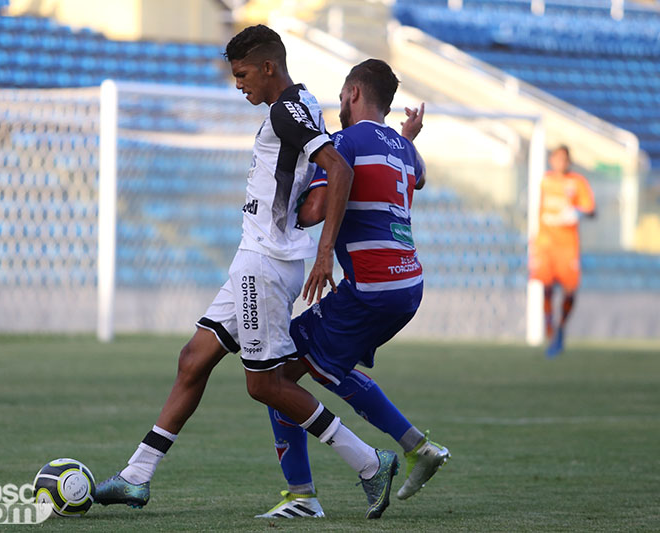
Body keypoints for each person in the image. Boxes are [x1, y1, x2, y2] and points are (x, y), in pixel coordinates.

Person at [94, 25, 401, 519]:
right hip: (252, 258)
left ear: (267, 67)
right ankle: (136, 476)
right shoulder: (297, 104)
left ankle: (369, 463)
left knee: (264, 384)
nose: (238, 85)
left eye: (241, 75)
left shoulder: (287, 110)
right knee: (193, 359)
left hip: (267, 263)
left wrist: (325, 253)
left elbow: (338, 170)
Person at [254, 59, 450, 520]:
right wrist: (408, 137)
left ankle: (302, 496)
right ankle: (417, 447)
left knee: (275, 377)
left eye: (342, 96)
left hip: (373, 287)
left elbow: (319, 205)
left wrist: (287, 212)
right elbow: (416, 175)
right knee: (329, 369)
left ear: (354, 94)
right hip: (408, 285)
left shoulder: (344, 142)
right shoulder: (404, 149)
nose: (339, 106)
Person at [529, 145, 596, 357]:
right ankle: (550, 330)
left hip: (568, 247)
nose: (560, 163)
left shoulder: (577, 183)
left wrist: (578, 213)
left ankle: (561, 325)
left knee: (569, 291)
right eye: (556, 158)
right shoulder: (544, 181)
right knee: (547, 287)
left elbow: (591, 210)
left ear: (568, 161)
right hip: (546, 244)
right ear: (551, 160)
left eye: (563, 159)